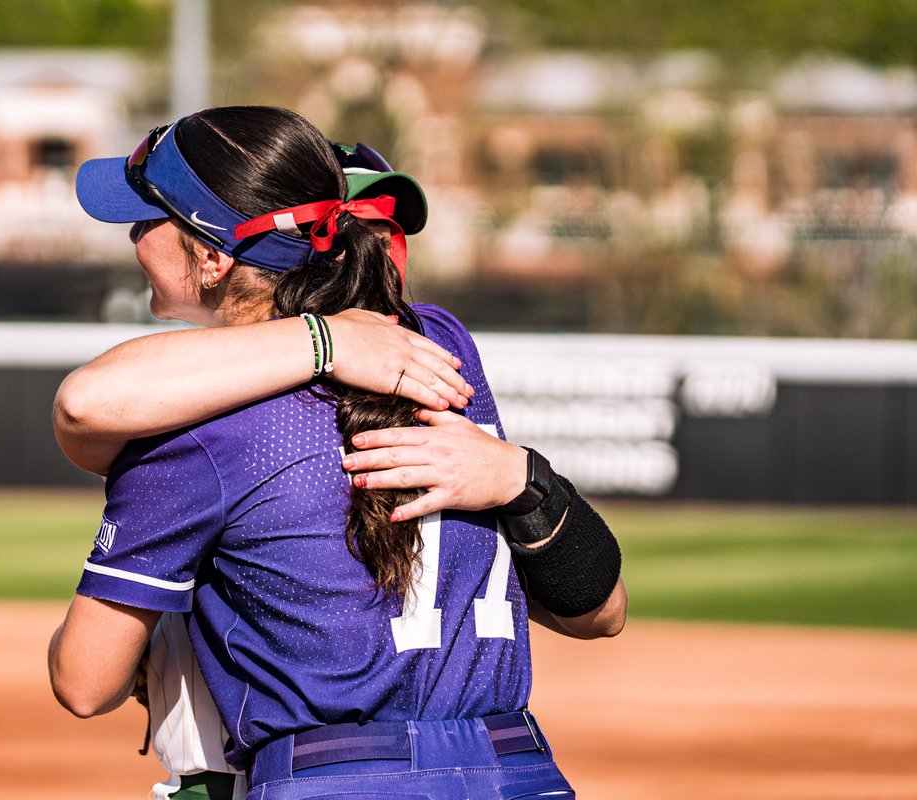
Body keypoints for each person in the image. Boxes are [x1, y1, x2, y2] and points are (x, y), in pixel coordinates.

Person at [48, 106, 627, 800]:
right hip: (518, 771)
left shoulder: (186, 427)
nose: (135, 236)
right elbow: (602, 611)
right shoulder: (439, 345)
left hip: (333, 775)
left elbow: (83, 683)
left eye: (149, 220)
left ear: (210, 257)